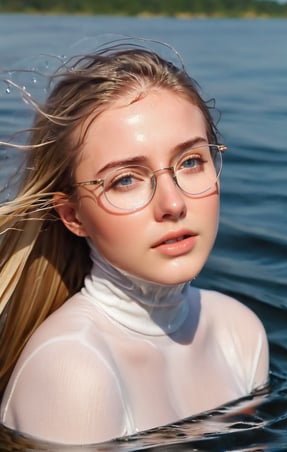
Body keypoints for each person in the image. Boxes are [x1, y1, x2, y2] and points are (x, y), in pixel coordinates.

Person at [0, 43, 269, 445]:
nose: (173, 204)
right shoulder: (73, 370)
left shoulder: (240, 333)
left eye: (191, 161)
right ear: (72, 216)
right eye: (125, 179)